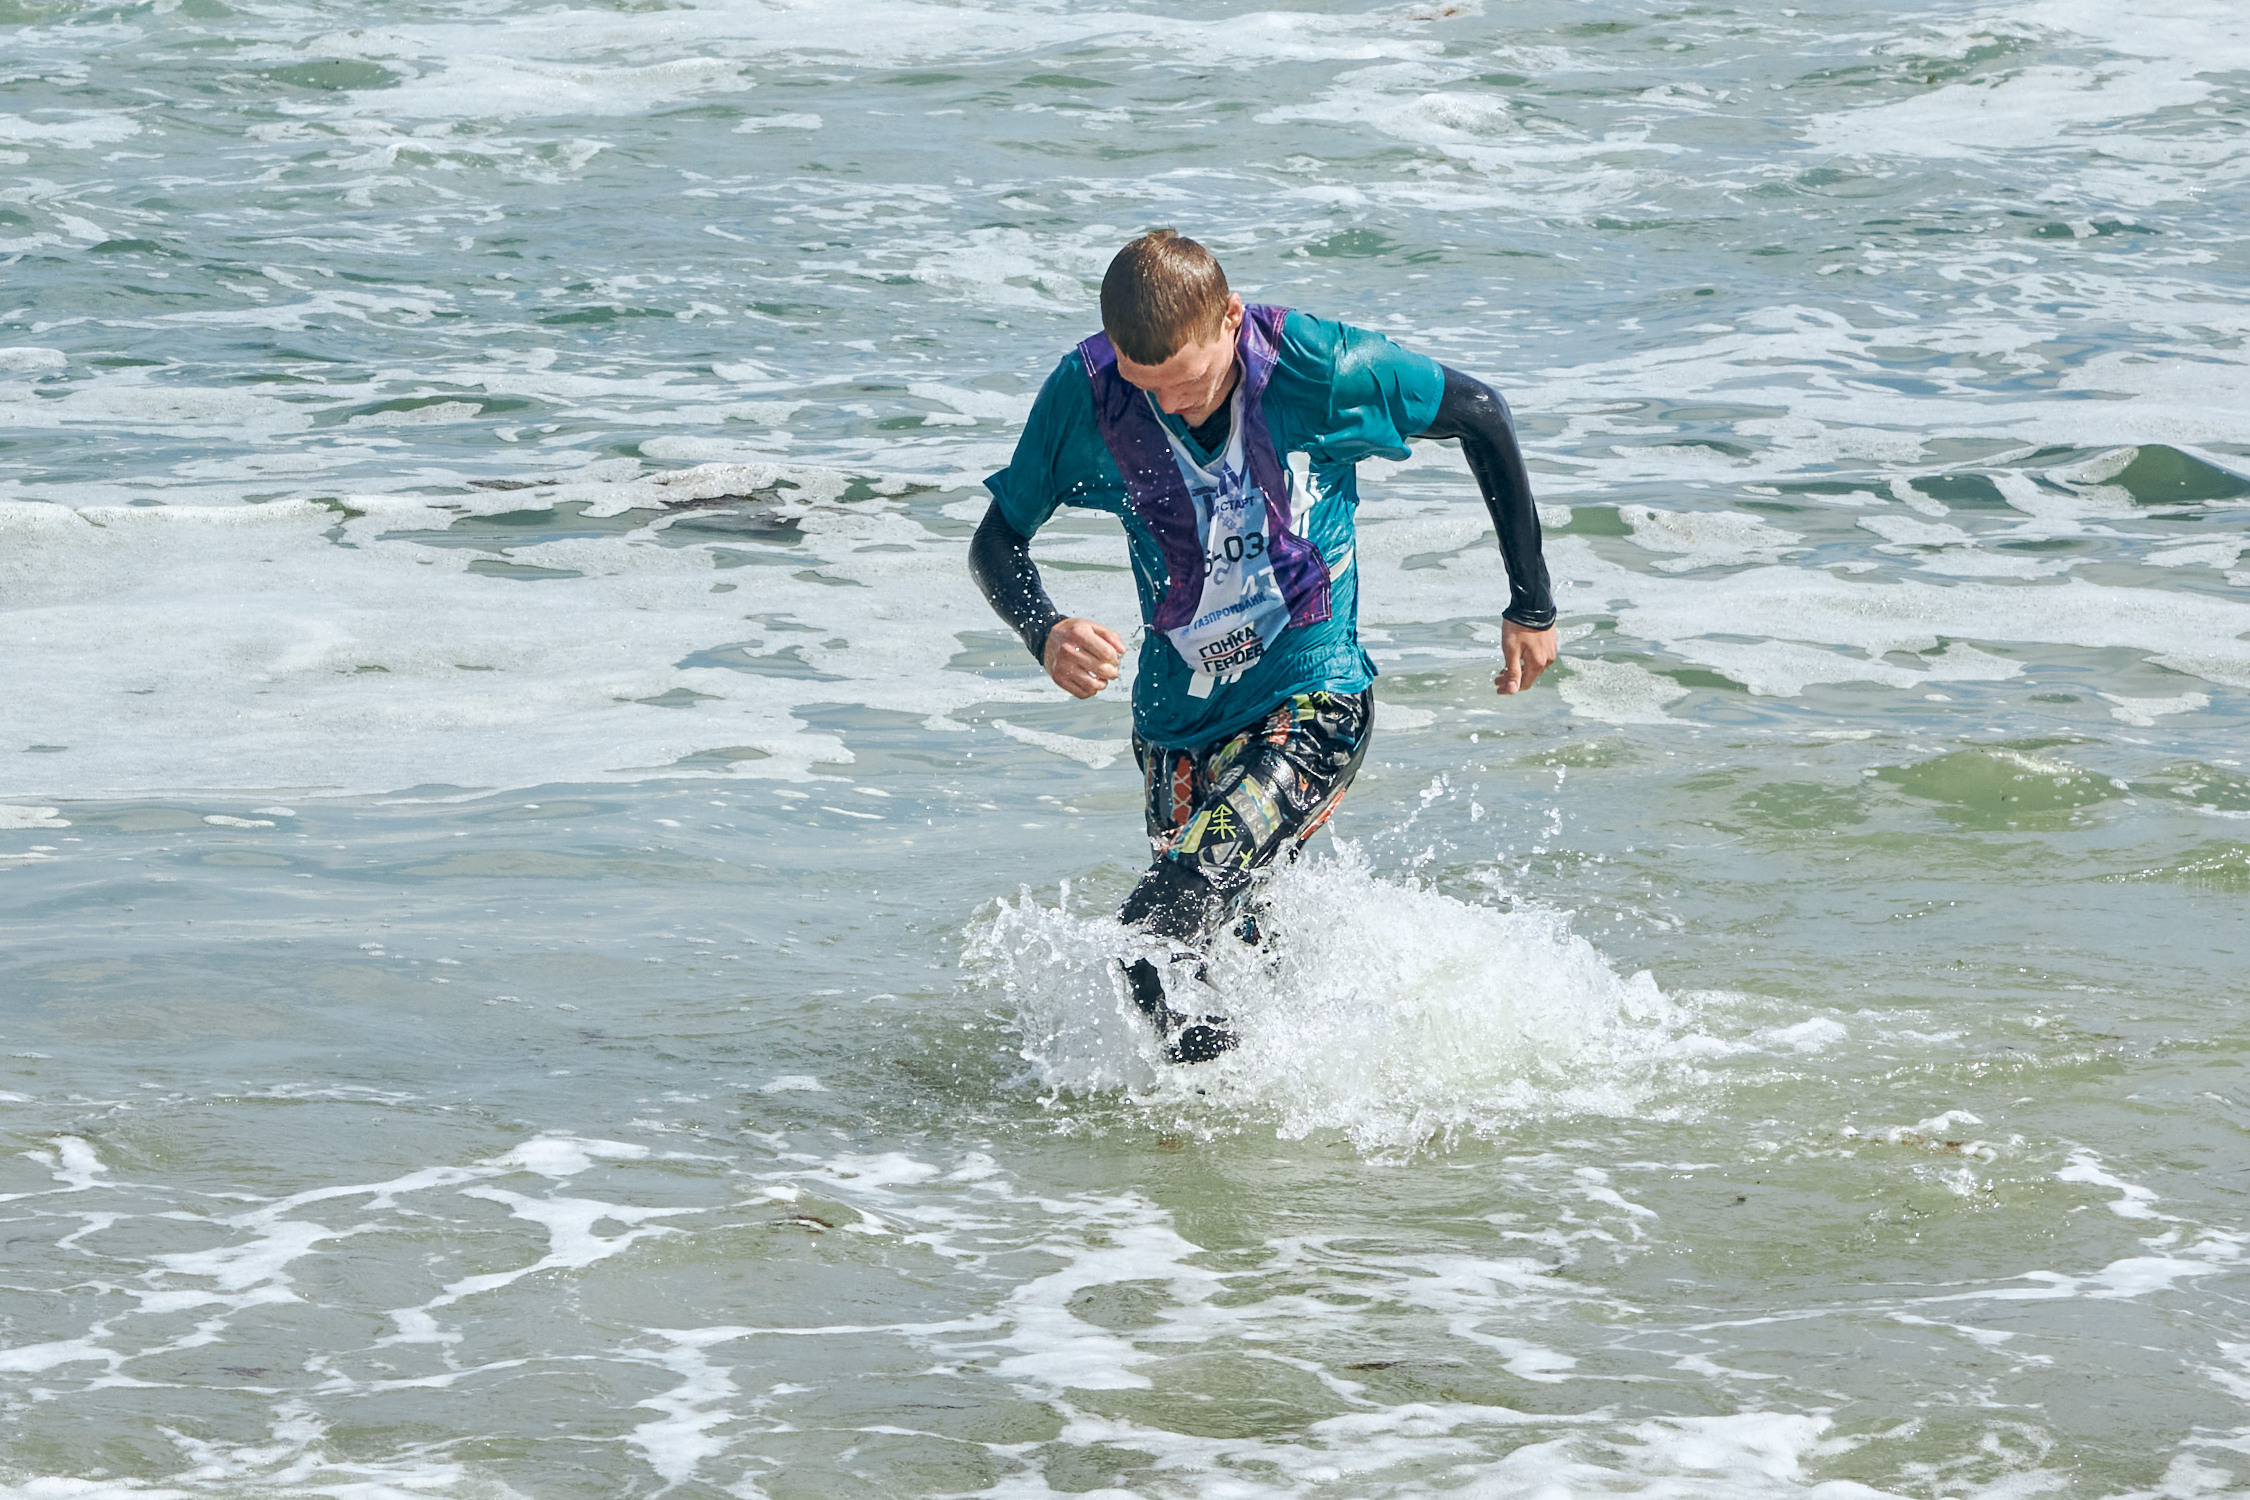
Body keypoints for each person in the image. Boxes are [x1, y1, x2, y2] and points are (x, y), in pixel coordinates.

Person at [970, 229, 1559, 1062]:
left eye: (1187, 383)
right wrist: (1045, 630)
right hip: (1176, 734)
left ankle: (1219, 1118)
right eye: (1148, 391)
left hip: (1313, 702)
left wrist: (1530, 605)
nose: (1170, 409)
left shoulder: (1318, 367)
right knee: (1215, 952)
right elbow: (996, 542)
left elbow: (1481, 415)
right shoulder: (1088, 391)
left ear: (1229, 321)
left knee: (1151, 933)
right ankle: (1274, 1130)